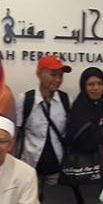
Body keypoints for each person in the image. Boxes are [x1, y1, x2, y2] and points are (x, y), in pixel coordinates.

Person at [16, 55, 72, 186]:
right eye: (53, 75)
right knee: (29, 203)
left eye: (60, 76)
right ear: (39, 73)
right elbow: (17, 134)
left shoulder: (66, 101)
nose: (58, 80)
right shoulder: (25, 100)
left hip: (56, 168)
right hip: (29, 166)